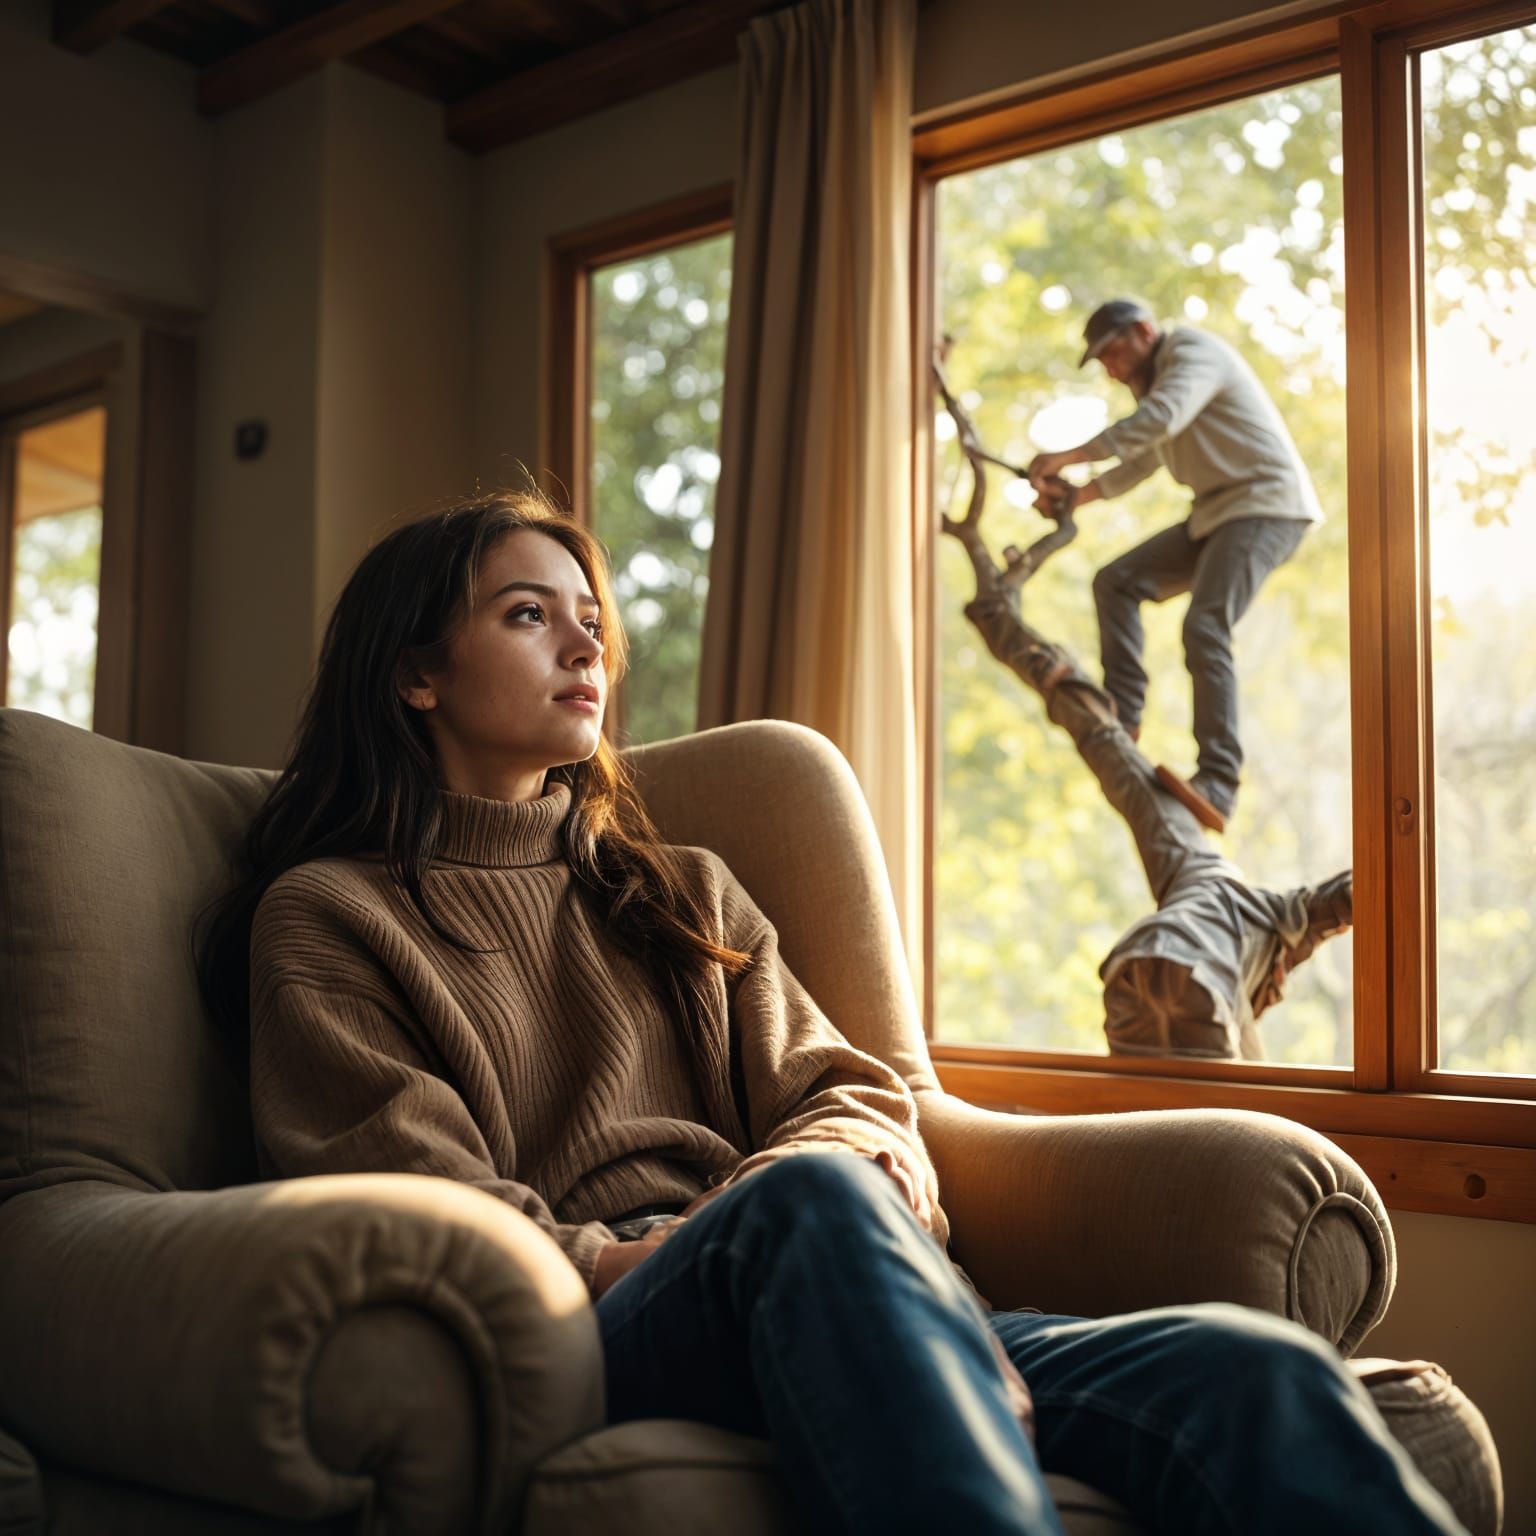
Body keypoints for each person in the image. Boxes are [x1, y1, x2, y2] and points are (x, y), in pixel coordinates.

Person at [197, 490, 1465, 1536]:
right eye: (529, 617)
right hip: (603, 1325)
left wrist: (843, 1224)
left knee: (1261, 1375)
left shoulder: (677, 888)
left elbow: (849, 1093)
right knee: (803, 1204)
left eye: (591, 620)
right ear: (416, 672)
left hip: (846, 1277)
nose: (587, 648)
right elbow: (420, 1206)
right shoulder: (330, 918)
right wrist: (738, 1234)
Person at [1027, 299, 1322, 834]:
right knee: (1115, 581)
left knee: (1206, 626)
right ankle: (1124, 714)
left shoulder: (1193, 354)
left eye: (1114, 353)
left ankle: (1218, 783)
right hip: (1217, 513)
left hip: (1265, 507)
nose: (1112, 369)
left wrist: (1066, 456)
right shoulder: (1158, 387)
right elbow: (1143, 457)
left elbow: (1159, 421)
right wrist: (1077, 498)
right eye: (1104, 363)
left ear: (1144, 331)